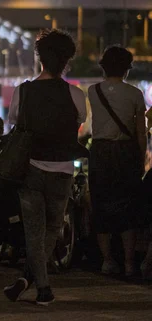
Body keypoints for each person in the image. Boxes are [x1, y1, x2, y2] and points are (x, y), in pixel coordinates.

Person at [3, 30, 87, 306]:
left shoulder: (23, 91)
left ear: (39, 57)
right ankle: (41, 285)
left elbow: (13, 119)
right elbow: (81, 120)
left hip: (30, 169)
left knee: (33, 231)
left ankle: (35, 283)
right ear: (66, 60)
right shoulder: (74, 93)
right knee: (53, 228)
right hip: (62, 169)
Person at [87, 46, 146, 277]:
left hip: (100, 152)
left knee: (101, 205)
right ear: (126, 70)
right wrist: (141, 159)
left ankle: (107, 260)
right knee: (128, 206)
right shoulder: (135, 94)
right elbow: (140, 132)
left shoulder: (93, 91)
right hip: (125, 152)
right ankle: (130, 263)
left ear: (103, 67)